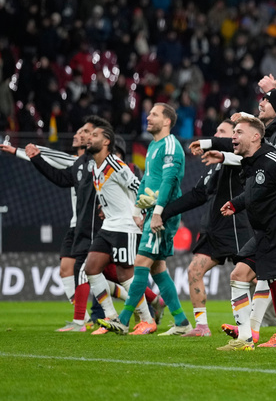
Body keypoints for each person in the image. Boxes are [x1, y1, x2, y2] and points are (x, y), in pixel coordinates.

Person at [216, 113, 276, 351]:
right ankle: (246, 339)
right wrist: (237, 203)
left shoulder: (273, 159)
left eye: (239, 132)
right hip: (265, 236)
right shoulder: (250, 165)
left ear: (256, 136)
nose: (233, 137)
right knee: (239, 275)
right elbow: (258, 191)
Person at [99, 104, 192, 335]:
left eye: (154, 114)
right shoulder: (153, 145)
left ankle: (123, 320)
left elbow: (169, 181)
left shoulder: (171, 145)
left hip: (163, 213)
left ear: (167, 121)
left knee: (140, 263)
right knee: (158, 269)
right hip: (152, 212)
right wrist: (138, 211)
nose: (148, 117)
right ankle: (182, 323)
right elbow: (148, 180)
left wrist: (158, 212)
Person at [3, 120, 102, 331]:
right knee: (67, 269)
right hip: (76, 223)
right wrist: (28, 154)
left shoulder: (84, 162)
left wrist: (18, 151)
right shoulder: (77, 163)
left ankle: (145, 301)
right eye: (78, 131)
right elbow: (51, 162)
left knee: (104, 274)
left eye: (83, 131)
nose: (78, 135)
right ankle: (82, 317)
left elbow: (49, 155)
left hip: (92, 224)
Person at [160, 120, 254, 338]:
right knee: (194, 270)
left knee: (259, 277)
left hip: (239, 227)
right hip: (215, 229)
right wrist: (163, 212)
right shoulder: (216, 167)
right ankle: (201, 327)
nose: (216, 134)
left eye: (222, 132)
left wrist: (220, 154)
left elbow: (240, 159)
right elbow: (197, 195)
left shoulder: (245, 158)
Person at [84, 121, 149, 331]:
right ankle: (112, 317)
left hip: (125, 226)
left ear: (106, 141)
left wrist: (141, 215)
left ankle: (146, 319)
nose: (89, 138)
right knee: (92, 268)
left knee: (125, 275)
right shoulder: (95, 167)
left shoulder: (115, 165)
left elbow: (137, 188)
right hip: (109, 226)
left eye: (94, 135)